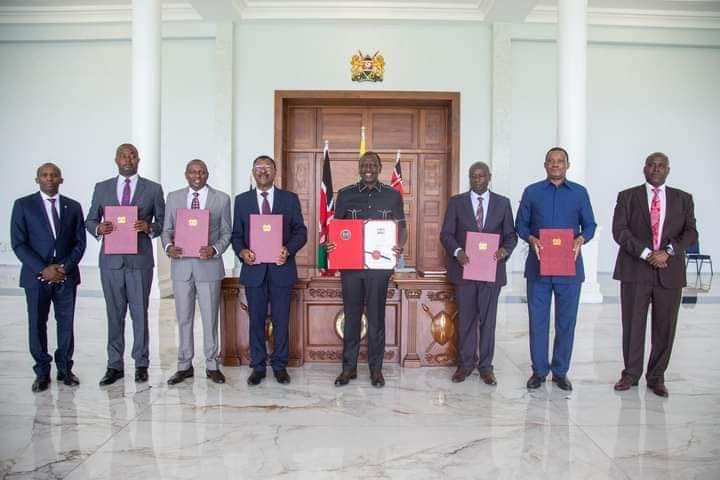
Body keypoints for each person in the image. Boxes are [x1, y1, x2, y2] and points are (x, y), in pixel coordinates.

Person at [611, 152, 697, 397]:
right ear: (644, 169)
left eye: (661, 166)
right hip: (635, 270)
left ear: (668, 169)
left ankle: (657, 377)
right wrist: (648, 253)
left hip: (669, 273)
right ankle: (630, 373)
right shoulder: (627, 196)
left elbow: (691, 232)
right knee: (632, 325)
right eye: (651, 165)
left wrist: (668, 252)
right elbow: (620, 231)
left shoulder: (683, 199)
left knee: (665, 328)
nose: (656, 169)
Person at [515, 147, 596, 391]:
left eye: (560, 161)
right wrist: (531, 239)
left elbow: (590, 224)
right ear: (545, 165)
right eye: (551, 161)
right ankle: (539, 371)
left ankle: (560, 371)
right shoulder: (532, 192)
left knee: (566, 322)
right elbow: (521, 224)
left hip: (569, 268)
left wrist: (582, 239)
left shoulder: (580, 193)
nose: (555, 165)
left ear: (567, 165)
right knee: (537, 321)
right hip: (539, 268)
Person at [86, 143, 165, 386]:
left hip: (139, 261)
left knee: (140, 313)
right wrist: (99, 228)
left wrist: (149, 227)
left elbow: (163, 222)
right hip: (111, 262)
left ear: (138, 159)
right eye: (123, 156)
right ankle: (114, 365)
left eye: (132, 156)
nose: (128, 159)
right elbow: (90, 220)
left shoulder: (152, 189)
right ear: (116, 159)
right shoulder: (102, 188)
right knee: (114, 314)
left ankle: (141, 364)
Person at [327, 151, 407, 388]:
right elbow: (336, 228)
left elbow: (402, 227)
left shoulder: (392, 196)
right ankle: (348, 369)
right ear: (359, 168)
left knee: (376, 318)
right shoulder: (345, 194)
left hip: (379, 268)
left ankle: (376, 370)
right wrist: (331, 243)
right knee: (351, 317)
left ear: (380, 167)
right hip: (351, 267)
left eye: (373, 164)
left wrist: (399, 245)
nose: (368, 168)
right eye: (364, 165)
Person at [231, 155, 307, 386]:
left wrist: (288, 249)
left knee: (281, 319)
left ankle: (280, 365)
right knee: (256, 320)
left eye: (267, 167)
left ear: (275, 172)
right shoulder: (242, 200)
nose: (263, 171)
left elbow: (300, 232)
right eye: (258, 167)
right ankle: (258, 366)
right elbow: (236, 236)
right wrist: (243, 252)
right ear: (253, 172)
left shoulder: (289, 199)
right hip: (254, 271)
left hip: (281, 270)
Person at [11, 163, 87, 392]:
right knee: (37, 323)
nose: (50, 179)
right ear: (37, 180)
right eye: (45, 175)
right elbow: (18, 243)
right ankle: (42, 372)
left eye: (54, 175)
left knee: (66, 324)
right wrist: (43, 269)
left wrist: (64, 267)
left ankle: (65, 368)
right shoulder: (23, 205)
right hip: (37, 277)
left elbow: (80, 242)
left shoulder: (73, 207)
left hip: (66, 276)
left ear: (61, 180)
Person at [440, 161, 517, 385]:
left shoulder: (503, 203)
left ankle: (485, 367)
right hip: (464, 271)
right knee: (465, 320)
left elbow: (511, 235)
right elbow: (446, 234)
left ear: (489, 177)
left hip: (491, 272)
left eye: (481, 176)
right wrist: (457, 251)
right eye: (473, 176)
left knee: (488, 321)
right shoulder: (457, 202)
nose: (477, 180)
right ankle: (464, 365)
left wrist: (505, 250)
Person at [162, 159, 232, 385]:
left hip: (208, 268)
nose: (197, 175)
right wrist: (168, 247)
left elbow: (226, 233)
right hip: (181, 267)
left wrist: (214, 249)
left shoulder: (221, 199)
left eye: (201, 172)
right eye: (192, 171)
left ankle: (212, 364)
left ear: (207, 174)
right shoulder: (173, 198)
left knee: (210, 318)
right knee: (183, 318)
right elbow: (166, 230)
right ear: (186, 174)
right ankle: (184, 365)